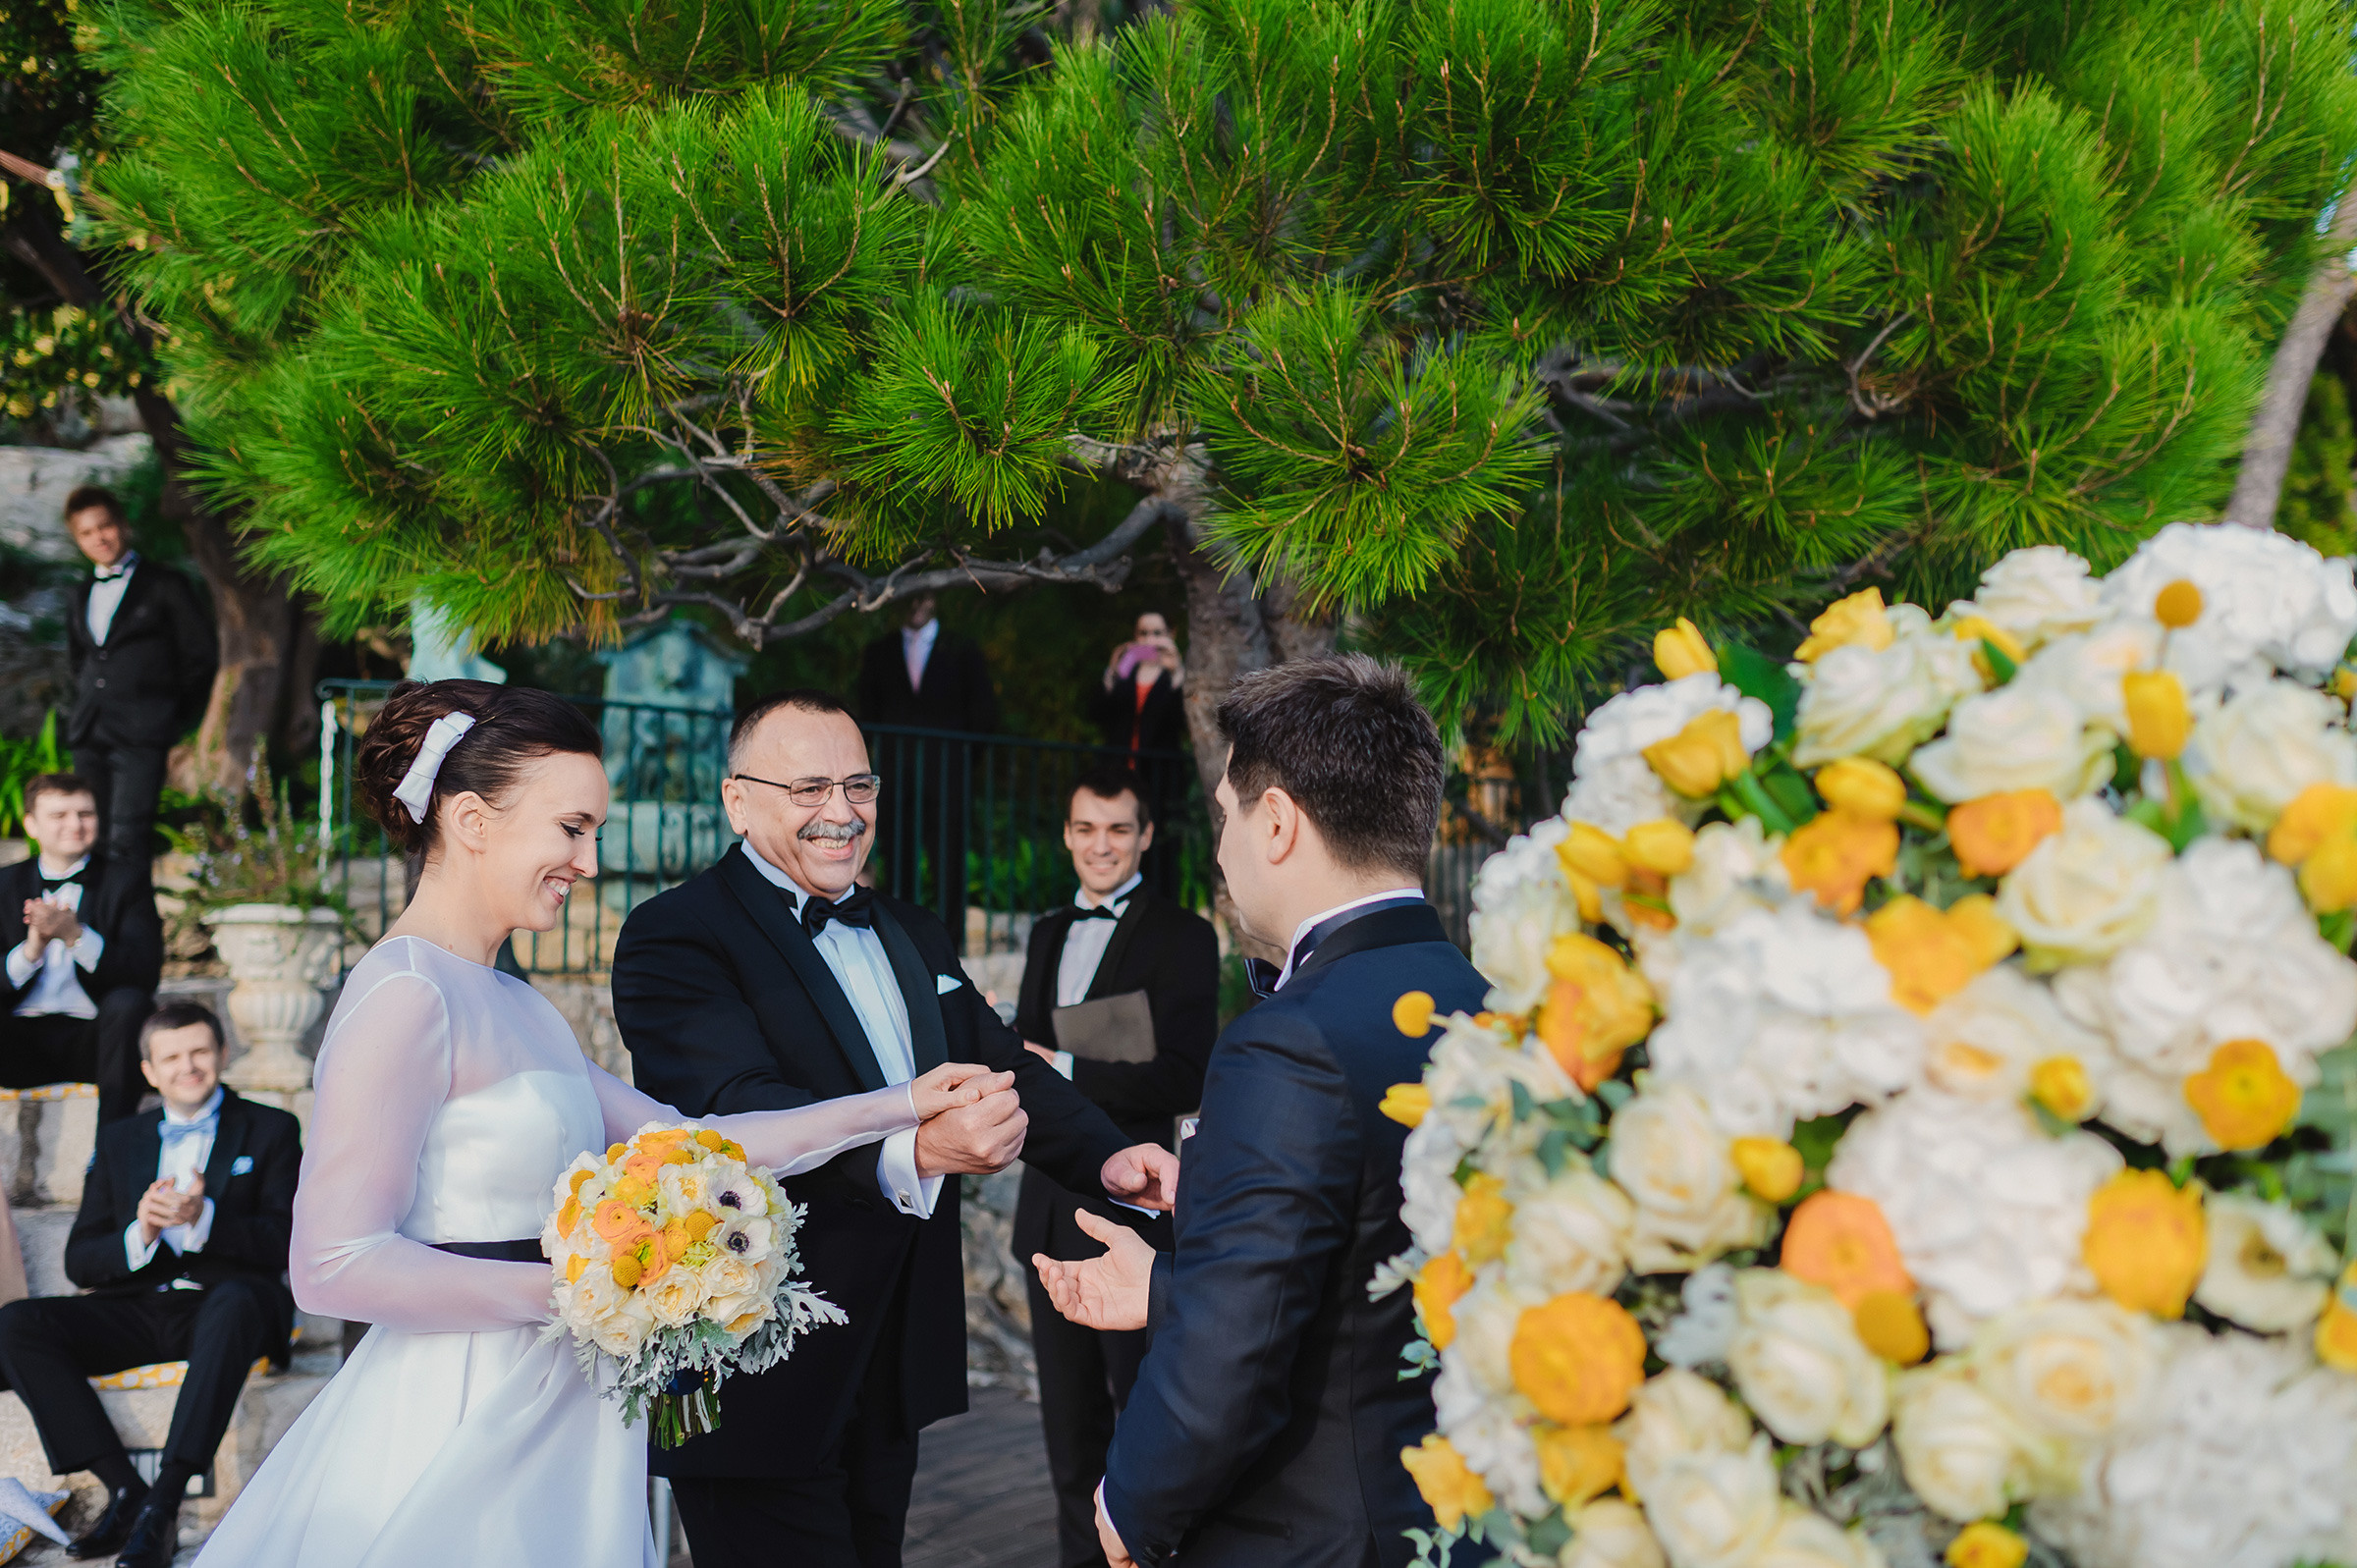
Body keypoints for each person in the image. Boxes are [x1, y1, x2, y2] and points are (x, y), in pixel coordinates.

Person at [192, 678, 1014, 1568]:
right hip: (456, 1413)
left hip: (563, 1402)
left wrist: (900, 1102)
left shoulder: (519, 1002)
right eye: (571, 827)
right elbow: (329, 1264)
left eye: (593, 832)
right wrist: (591, 1297)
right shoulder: (405, 994)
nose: (588, 860)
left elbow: (699, 1143)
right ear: (471, 819)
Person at [610, 689, 1180, 1568]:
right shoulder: (676, 934)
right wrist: (909, 1152)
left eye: (859, 785)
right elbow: (735, 1109)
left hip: (893, 1354)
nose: (841, 812)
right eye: (808, 788)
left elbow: (1007, 1063)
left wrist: (1108, 1156)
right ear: (737, 799)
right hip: (757, 1361)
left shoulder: (911, 927)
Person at [1035, 656, 1485, 1568]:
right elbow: (1366, 1251)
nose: (1224, 845)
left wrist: (1130, 1505)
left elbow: (1236, 1355)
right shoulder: (1485, 999)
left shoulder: (1287, 1040)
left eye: (1226, 814)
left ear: (1276, 822)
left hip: (1318, 1532)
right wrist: (1200, 1217)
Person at [0, 1001, 300, 1566]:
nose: (188, 1066)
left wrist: (203, 1219)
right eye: (172, 1057)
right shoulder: (119, 1139)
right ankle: (123, 1487)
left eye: (200, 1052)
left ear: (222, 1054)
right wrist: (141, 1231)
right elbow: (81, 1262)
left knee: (237, 1299)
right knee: (17, 1323)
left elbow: (286, 1242)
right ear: (148, 1072)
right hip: (141, 1307)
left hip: (231, 1308)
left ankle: (163, 1503)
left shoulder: (272, 1128)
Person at [1013, 766, 1217, 1568]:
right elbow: (1019, 1061)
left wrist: (1060, 1061)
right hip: (1047, 1209)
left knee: (1142, 1426)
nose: (1101, 846)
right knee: (1068, 1435)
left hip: (1135, 1214)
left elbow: (1184, 1073)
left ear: (1146, 837)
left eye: (1119, 830)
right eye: (1086, 829)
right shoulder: (1045, 931)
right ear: (1067, 835)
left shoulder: (1184, 934)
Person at [59, 486, 217, 867]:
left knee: (128, 837)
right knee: (86, 835)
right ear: (77, 540)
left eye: (105, 526)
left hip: (142, 731)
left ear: (123, 526)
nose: (99, 537)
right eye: (87, 532)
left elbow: (200, 655)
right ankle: (90, 926)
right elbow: (80, 660)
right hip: (89, 731)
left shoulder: (165, 585)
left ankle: (130, 926)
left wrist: (167, 712)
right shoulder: (79, 594)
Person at [0, 773, 162, 1123]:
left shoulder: (126, 881)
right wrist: (31, 952)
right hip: (17, 1043)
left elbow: (144, 973)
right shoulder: (5, 883)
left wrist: (77, 937)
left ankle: (108, 1158)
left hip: (97, 1043)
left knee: (129, 1003)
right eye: (59, 815)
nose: (75, 824)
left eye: (85, 814)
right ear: (31, 825)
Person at [854, 594, 999, 924]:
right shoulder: (880, 651)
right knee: (897, 857)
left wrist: (960, 764)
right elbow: (867, 714)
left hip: (947, 775)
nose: (916, 603)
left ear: (936, 597)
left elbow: (984, 714)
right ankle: (897, 938)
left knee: (948, 860)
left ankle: (950, 944)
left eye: (925, 595)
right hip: (895, 775)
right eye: (908, 595)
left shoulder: (962, 649)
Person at [1089, 614, 1187, 892]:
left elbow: (1182, 723)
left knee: (1159, 848)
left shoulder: (1175, 678)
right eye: (1143, 633)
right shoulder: (1126, 674)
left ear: (1171, 634)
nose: (1149, 640)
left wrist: (1177, 674)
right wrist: (1113, 672)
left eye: (1157, 632)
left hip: (1159, 779)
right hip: (1120, 775)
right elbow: (1097, 712)